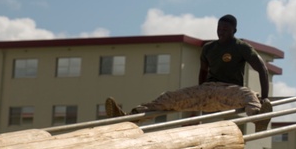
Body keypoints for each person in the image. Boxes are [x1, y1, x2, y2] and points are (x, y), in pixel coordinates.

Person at [106, 14, 273, 129]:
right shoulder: (208, 48)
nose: (221, 32)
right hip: (207, 89)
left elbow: (262, 69)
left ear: (234, 31)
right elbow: (202, 71)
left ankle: (259, 118)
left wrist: (265, 97)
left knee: (250, 96)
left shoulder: (241, 47)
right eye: (219, 29)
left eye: (225, 30)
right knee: (168, 97)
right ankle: (130, 117)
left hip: (229, 90)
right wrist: (199, 93)